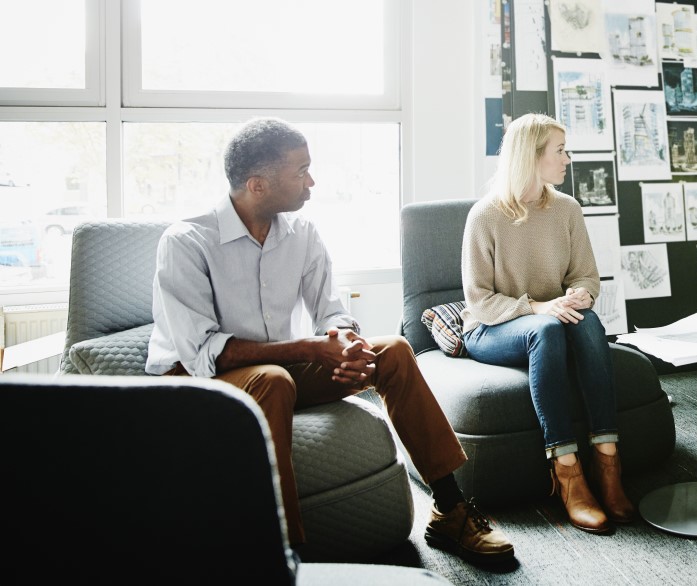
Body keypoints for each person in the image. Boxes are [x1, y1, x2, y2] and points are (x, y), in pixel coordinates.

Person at [146, 117, 514, 564]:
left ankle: (451, 510)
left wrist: (346, 343)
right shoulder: (187, 241)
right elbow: (205, 352)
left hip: (278, 371)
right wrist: (311, 348)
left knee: (393, 352)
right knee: (272, 380)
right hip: (197, 383)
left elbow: (331, 312)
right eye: (300, 171)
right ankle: (281, 548)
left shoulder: (301, 233)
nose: (311, 181)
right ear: (257, 184)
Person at [460, 113, 634, 534]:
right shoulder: (485, 216)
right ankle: (567, 470)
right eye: (560, 150)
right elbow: (479, 301)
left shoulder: (566, 209)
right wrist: (539, 307)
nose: (568, 159)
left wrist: (580, 295)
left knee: (587, 322)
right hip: (491, 327)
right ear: (530, 156)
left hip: (550, 316)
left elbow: (586, 276)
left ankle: (608, 460)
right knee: (549, 328)